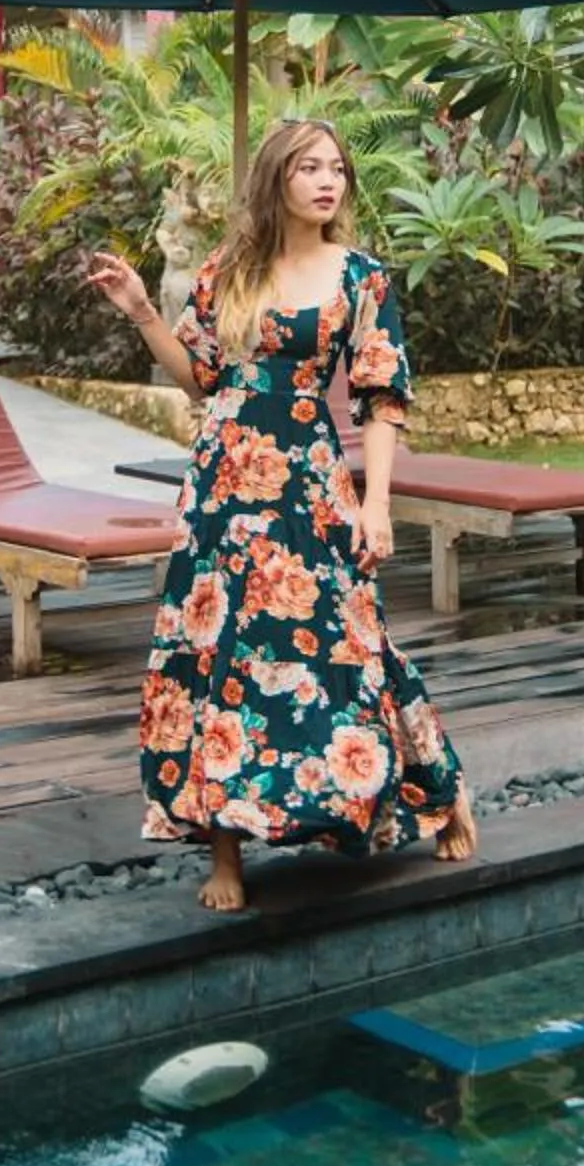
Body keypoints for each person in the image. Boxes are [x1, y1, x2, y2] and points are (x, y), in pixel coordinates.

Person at [86, 117, 478, 912]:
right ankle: (226, 855)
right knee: (216, 654)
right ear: (277, 179)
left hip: (306, 478)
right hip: (220, 486)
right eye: (309, 168)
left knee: (348, 643)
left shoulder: (361, 279)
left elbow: (381, 401)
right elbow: (201, 379)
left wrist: (376, 506)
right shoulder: (230, 269)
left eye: (336, 168)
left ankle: (441, 791)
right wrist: (138, 309)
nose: (328, 181)